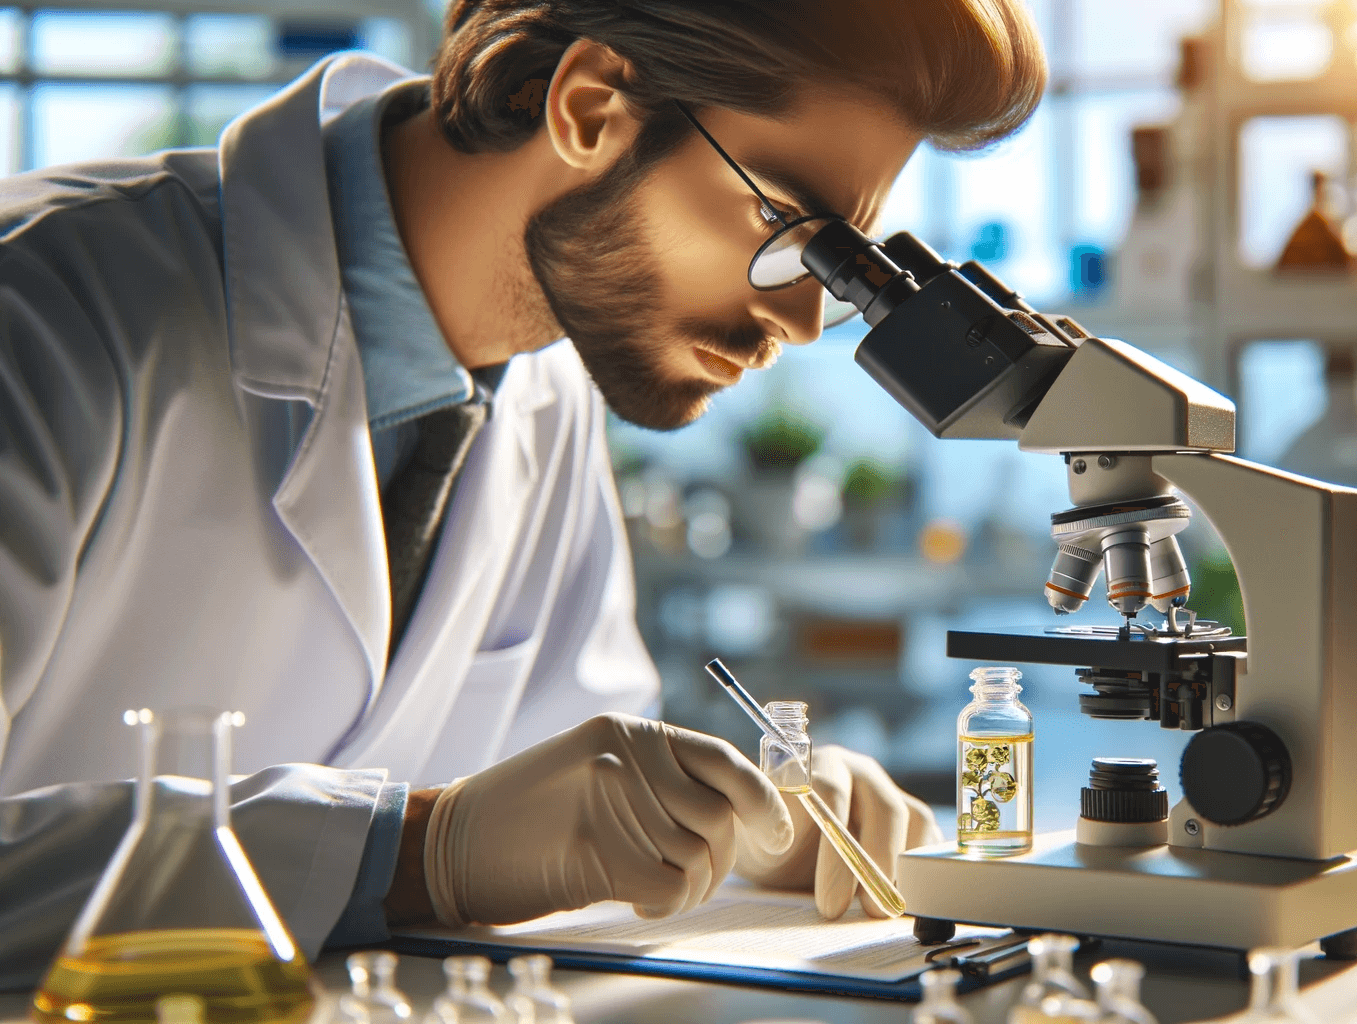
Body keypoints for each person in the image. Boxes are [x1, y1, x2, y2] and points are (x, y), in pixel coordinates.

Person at [0, 0, 1046, 986]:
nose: (806, 322)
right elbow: (444, 840)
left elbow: (564, 797)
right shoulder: (46, 308)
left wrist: (739, 828)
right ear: (589, 107)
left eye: (846, 261)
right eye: (792, 236)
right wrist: (418, 850)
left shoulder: (547, 381)